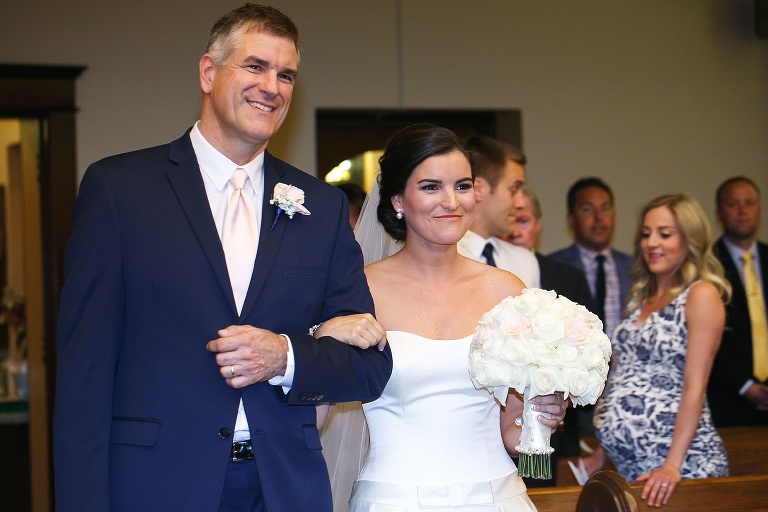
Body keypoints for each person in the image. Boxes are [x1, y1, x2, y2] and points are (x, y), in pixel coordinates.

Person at [53, 4, 392, 511]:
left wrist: (287, 355)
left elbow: (368, 367)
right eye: (255, 66)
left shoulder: (319, 206)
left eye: (286, 75)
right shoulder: (121, 191)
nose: (271, 87)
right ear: (208, 73)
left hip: (283, 488)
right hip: (157, 486)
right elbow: (84, 376)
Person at [320, 124, 568, 511]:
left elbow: (513, 437)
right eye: (431, 187)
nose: (451, 201)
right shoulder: (360, 291)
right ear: (398, 199)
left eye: (462, 186)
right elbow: (316, 416)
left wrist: (542, 415)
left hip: (496, 498)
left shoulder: (506, 290)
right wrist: (321, 340)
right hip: (394, 500)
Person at [593, 193, 731, 508]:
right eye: (646, 234)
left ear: (690, 240)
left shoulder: (700, 295)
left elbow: (695, 386)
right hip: (634, 469)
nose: (651, 243)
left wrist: (672, 465)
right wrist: (603, 449)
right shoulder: (639, 298)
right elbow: (624, 376)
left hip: (682, 468)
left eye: (665, 234)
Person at [506, 184, 595, 487]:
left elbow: (591, 348)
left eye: (522, 220)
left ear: (538, 225)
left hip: (558, 429)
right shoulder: (484, 277)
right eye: (509, 220)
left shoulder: (567, 277)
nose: (515, 230)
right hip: (496, 432)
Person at [548, 177, 632, 466]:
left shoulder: (635, 267)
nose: (599, 217)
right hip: (574, 403)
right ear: (571, 219)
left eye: (605, 208)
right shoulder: (554, 268)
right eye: (587, 209)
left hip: (624, 395)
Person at [708, 176, 768, 427]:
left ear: (759, 210)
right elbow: (707, 338)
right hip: (728, 404)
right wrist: (745, 386)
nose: (742, 211)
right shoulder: (706, 265)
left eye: (749, 203)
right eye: (733, 204)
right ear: (719, 213)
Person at [457, 135, 540, 288]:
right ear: (478, 189)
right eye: (513, 189)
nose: (521, 203)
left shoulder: (525, 262)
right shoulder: (442, 258)